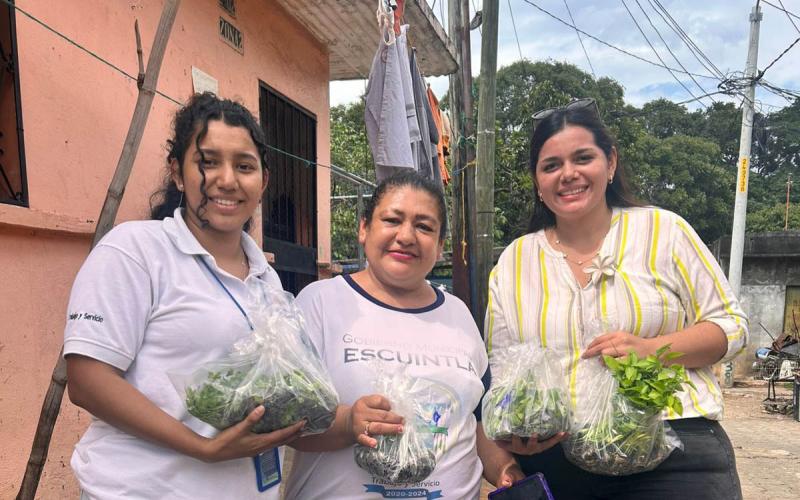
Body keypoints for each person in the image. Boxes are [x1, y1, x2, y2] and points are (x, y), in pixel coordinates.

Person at [484, 99, 748, 499]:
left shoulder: (663, 230)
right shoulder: (514, 260)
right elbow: (503, 368)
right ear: (537, 181)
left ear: (610, 164)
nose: (567, 174)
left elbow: (731, 328)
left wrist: (651, 349)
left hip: (674, 447)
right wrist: (515, 434)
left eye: (583, 158)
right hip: (558, 460)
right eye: (550, 165)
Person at [63, 93, 304, 499]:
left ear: (262, 182)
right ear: (178, 173)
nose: (227, 180)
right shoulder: (135, 251)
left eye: (244, 166)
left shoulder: (268, 282)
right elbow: (87, 381)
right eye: (208, 162)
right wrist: (202, 448)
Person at [284, 171, 522, 499]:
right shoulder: (321, 302)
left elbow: (477, 423)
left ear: (440, 246)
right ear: (364, 228)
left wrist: (506, 470)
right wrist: (349, 423)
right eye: (393, 219)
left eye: (424, 226)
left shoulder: (458, 315)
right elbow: (288, 425)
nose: (406, 236)